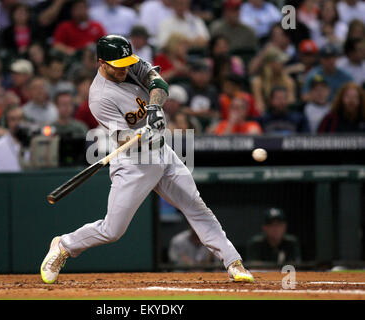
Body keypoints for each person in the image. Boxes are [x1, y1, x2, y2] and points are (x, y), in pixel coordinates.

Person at [40, 34, 254, 284]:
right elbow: (122, 139)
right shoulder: (100, 97)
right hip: (134, 162)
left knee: (196, 207)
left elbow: (159, 83)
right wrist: (141, 134)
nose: (124, 70)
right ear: (101, 63)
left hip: (163, 152)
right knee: (112, 230)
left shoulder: (127, 62)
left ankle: (233, 263)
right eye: (117, 67)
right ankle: (64, 245)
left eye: (126, 64)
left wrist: (154, 109)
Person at [250, 47, 296, 114]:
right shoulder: (258, 82)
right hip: (266, 115)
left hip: (284, 113)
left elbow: (291, 103)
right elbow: (259, 105)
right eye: (280, 62)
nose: (282, 64)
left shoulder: (288, 81)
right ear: (270, 63)